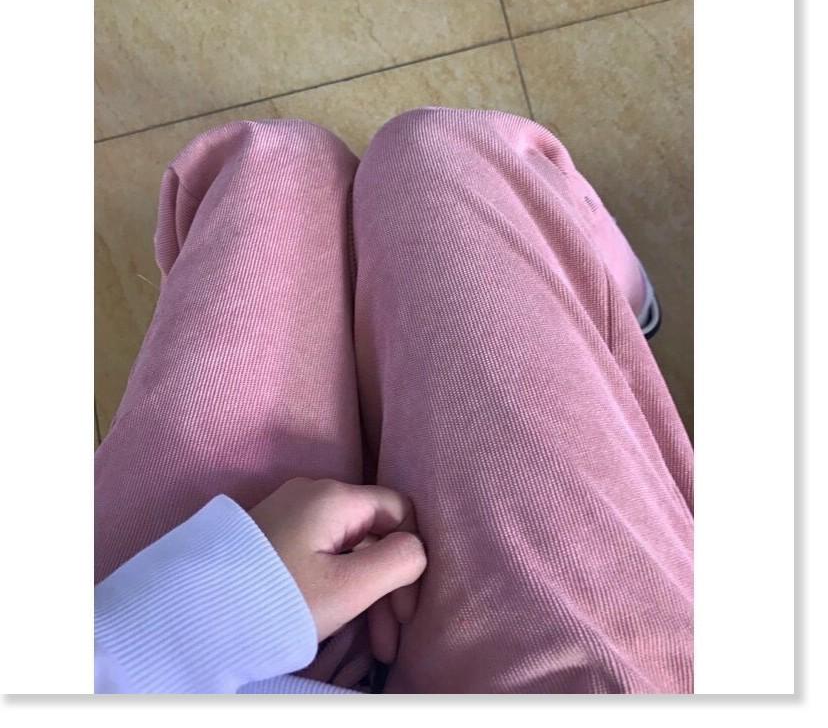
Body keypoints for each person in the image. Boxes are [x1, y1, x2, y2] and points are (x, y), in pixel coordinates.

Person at [94, 108, 693, 694]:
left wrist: (189, 622)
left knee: (273, 160)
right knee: (443, 147)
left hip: (141, 647)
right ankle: (611, 295)